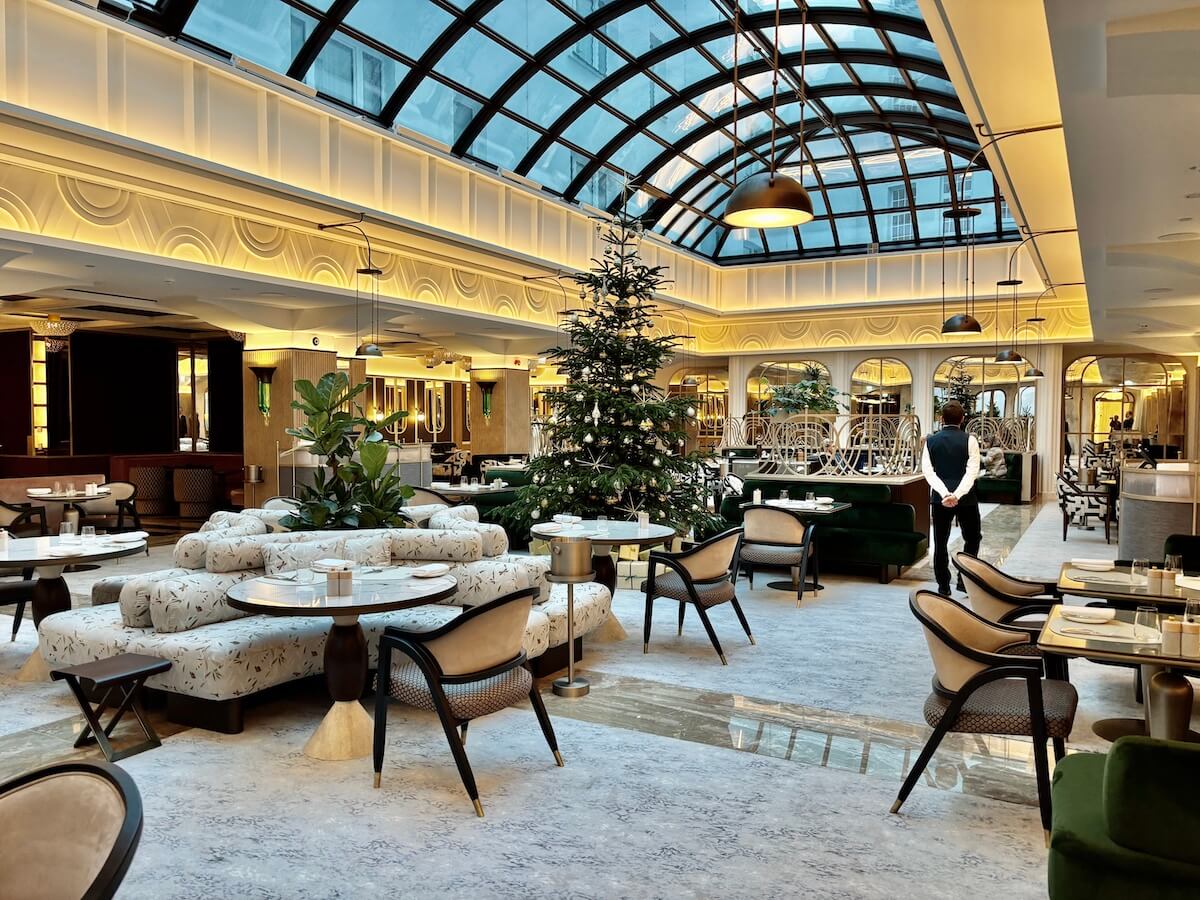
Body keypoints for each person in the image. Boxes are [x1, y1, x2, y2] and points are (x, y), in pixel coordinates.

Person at [921, 400, 981, 597]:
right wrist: (957, 494)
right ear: (963, 419)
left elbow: (928, 472)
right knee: (972, 538)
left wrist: (944, 493)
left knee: (940, 541)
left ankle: (943, 586)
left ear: (941, 419)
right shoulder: (970, 440)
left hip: (940, 500)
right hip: (967, 498)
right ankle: (964, 581)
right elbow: (972, 471)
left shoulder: (930, 441)